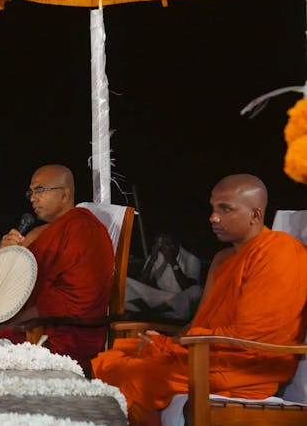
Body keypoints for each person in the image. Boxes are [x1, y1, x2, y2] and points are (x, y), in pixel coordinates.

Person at [92, 174, 307, 426]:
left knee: (137, 374)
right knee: (114, 359)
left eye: (225, 209)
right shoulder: (222, 259)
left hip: (247, 369)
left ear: (256, 215)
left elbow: (252, 335)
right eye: (213, 208)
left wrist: (172, 344)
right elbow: (200, 320)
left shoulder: (279, 253)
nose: (213, 218)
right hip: (208, 355)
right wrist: (165, 342)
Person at [0, 164, 114, 374]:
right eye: (30, 191)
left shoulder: (82, 228)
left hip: (63, 334)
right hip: (29, 326)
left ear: (64, 194)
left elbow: (70, 299)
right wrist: (1, 255)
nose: (32, 198)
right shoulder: (37, 233)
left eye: (40, 190)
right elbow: (5, 287)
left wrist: (6, 325)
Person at [125, 230, 203, 320]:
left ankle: (150, 313)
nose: (162, 248)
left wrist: (173, 262)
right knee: (127, 284)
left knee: (197, 291)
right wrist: (152, 260)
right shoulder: (156, 256)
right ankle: (153, 313)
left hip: (180, 301)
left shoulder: (191, 259)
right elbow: (140, 284)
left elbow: (188, 288)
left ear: (176, 245)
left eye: (165, 244)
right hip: (162, 299)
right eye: (159, 245)